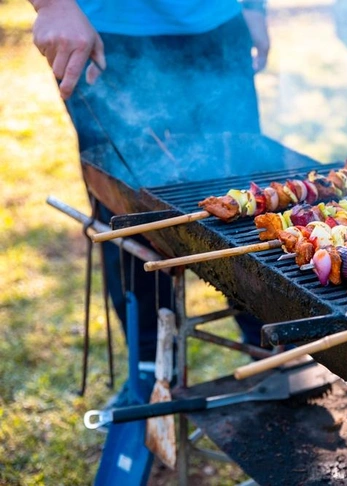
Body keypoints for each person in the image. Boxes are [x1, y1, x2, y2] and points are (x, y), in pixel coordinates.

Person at [30, 0, 270, 401]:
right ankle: (150, 368)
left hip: (218, 25)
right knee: (131, 216)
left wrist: (253, 6)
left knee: (249, 202)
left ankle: (274, 348)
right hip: (108, 33)